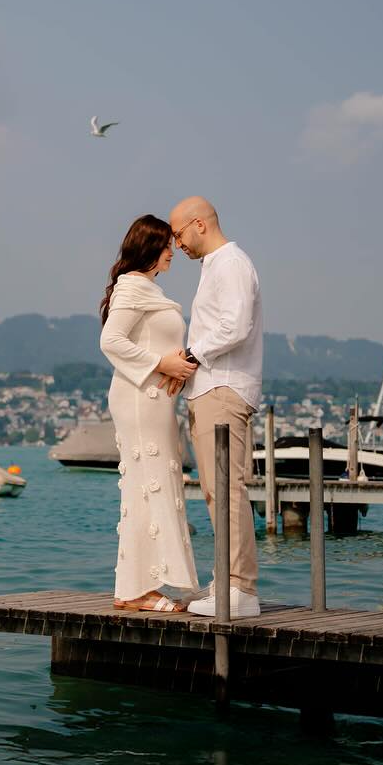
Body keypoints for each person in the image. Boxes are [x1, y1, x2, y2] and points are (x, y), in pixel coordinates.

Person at [167, 196, 264, 618]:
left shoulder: (231, 263)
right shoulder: (217, 266)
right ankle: (226, 582)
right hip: (209, 388)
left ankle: (240, 590)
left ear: (199, 225)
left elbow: (236, 326)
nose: (176, 243)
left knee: (226, 489)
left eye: (178, 233)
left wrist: (190, 355)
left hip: (222, 387)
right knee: (214, 490)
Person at [98, 214, 200, 612]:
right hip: (140, 398)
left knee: (152, 485)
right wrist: (161, 364)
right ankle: (137, 589)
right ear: (149, 248)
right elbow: (111, 340)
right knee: (148, 484)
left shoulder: (146, 288)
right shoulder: (133, 288)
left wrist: (177, 364)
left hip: (153, 399)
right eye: (165, 245)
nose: (172, 251)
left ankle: (137, 586)